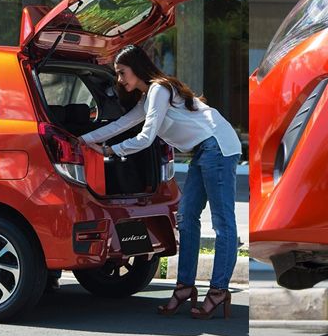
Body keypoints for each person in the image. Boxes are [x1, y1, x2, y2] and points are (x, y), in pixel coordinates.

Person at [81, 44, 242, 319]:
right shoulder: (149, 97)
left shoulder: (159, 89)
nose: (120, 80)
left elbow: (145, 138)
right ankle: (184, 286)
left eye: (122, 73)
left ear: (137, 68)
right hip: (204, 149)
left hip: (217, 147)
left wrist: (111, 151)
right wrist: (82, 140)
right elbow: (121, 124)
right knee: (187, 218)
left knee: (222, 223)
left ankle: (218, 290)